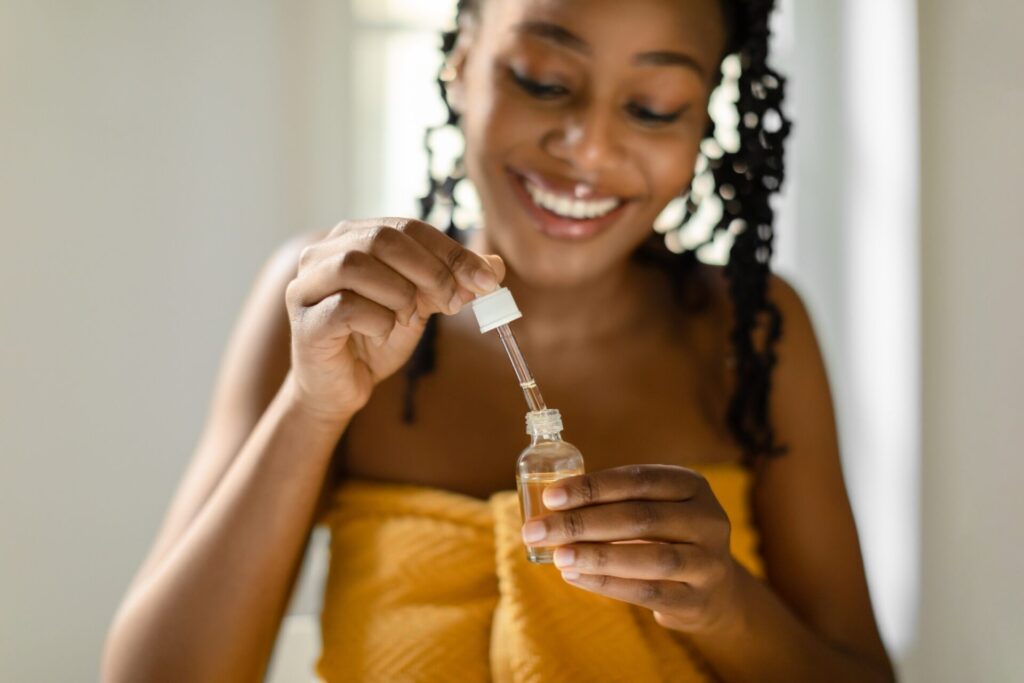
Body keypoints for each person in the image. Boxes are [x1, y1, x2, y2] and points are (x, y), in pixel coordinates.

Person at [103, 0, 895, 681]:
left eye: (652, 106)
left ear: (703, 120)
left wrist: (724, 604)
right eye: (544, 81)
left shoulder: (752, 336)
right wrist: (311, 409)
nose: (587, 147)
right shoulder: (326, 311)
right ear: (461, 62)